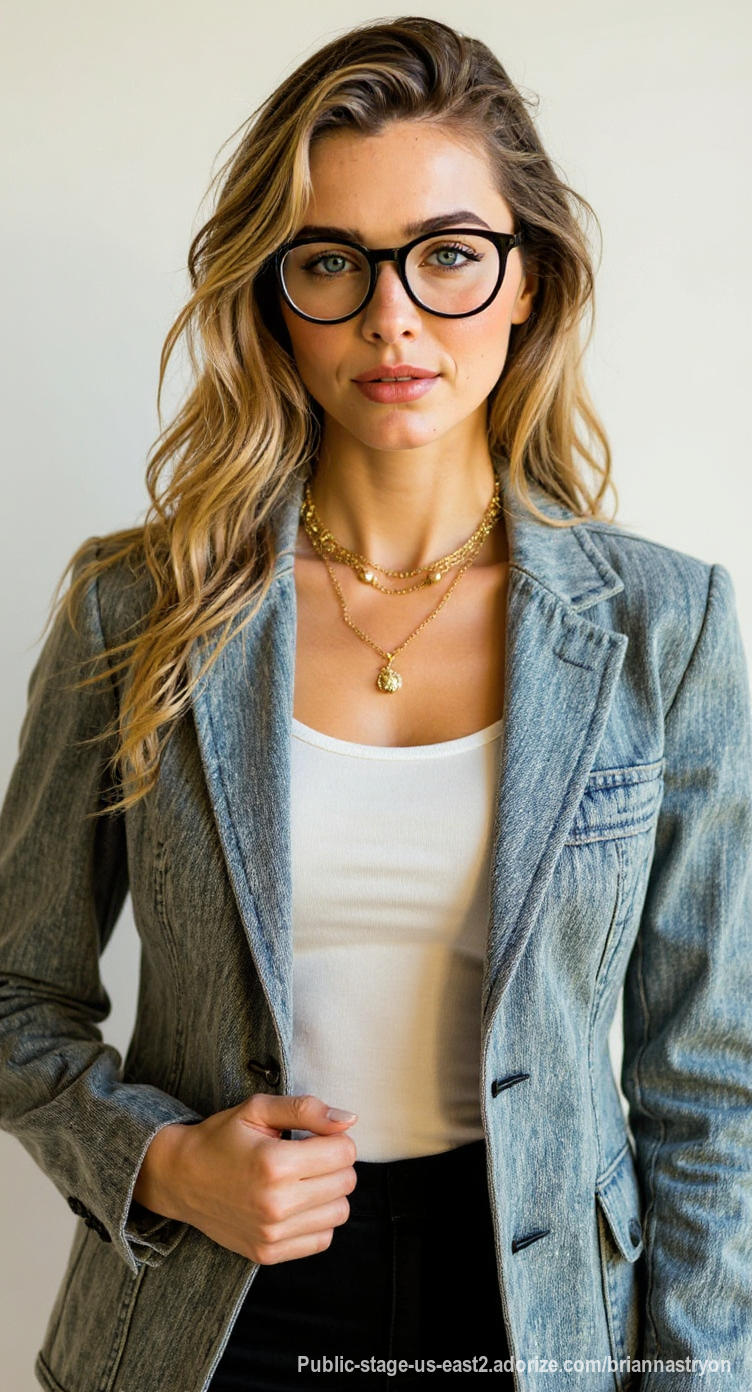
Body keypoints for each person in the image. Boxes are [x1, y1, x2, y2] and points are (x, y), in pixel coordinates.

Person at [1, 14, 751, 1392]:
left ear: (528, 280)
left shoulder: (665, 625)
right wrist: (160, 1161)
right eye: (332, 261)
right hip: (209, 1316)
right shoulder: (137, 609)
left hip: (541, 1321)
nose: (391, 317)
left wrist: (700, 1379)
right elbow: (13, 993)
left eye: (448, 254)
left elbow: (708, 1082)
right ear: (272, 293)